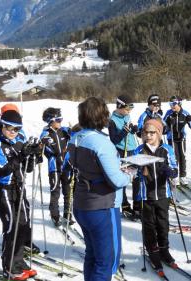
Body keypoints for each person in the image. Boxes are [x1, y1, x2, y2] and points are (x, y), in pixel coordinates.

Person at [68, 97, 133, 281]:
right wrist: (131, 173)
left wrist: (115, 165)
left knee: (93, 255)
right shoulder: (101, 142)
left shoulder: (76, 139)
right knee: (106, 262)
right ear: (102, 116)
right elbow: (117, 181)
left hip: (82, 204)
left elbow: (90, 166)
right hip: (102, 207)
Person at [0, 110, 41, 280]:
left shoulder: (19, 139)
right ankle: (8, 267)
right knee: (11, 226)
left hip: (20, 187)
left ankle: (18, 262)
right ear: (1, 124)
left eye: (17, 129)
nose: (13, 132)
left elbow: (27, 168)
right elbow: (2, 170)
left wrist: (34, 155)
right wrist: (21, 156)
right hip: (4, 189)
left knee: (23, 225)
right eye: (9, 128)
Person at [134, 118, 178, 271]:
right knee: (149, 226)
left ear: (159, 133)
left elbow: (174, 168)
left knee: (163, 224)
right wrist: (136, 170)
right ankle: (153, 251)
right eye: (145, 132)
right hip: (146, 195)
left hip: (163, 194)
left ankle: (164, 250)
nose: (148, 136)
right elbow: (132, 171)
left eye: (152, 132)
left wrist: (170, 172)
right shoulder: (139, 150)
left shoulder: (166, 149)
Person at [39, 107, 72, 226]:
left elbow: (77, 133)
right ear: (50, 121)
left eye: (61, 119)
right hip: (55, 168)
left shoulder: (64, 130)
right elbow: (50, 146)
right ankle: (55, 215)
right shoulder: (46, 133)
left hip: (66, 166)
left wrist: (72, 132)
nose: (60, 121)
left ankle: (68, 214)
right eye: (58, 119)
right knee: (55, 192)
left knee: (68, 191)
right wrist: (47, 142)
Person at [108, 94, 140, 217]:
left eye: (130, 110)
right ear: (119, 106)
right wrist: (124, 131)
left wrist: (133, 129)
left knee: (136, 177)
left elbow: (129, 129)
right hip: (122, 151)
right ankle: (125, 205)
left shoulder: (126, 116)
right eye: (127, 109)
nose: (128, 112)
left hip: (132, 149)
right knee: (124, 179)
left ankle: (138, 205)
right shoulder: (112, 121)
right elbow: (114, 140)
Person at [163, 96, 191, 186]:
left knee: (182, 157)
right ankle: (175, 176)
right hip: (172, 138)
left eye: (174, 104)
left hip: (181, 139)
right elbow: (163, 128)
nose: (172, 106)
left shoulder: (185, 113)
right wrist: (169, 124)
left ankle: (183, 176)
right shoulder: (168, 113)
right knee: (174, 157)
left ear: (179, 104)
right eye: (170, 104)